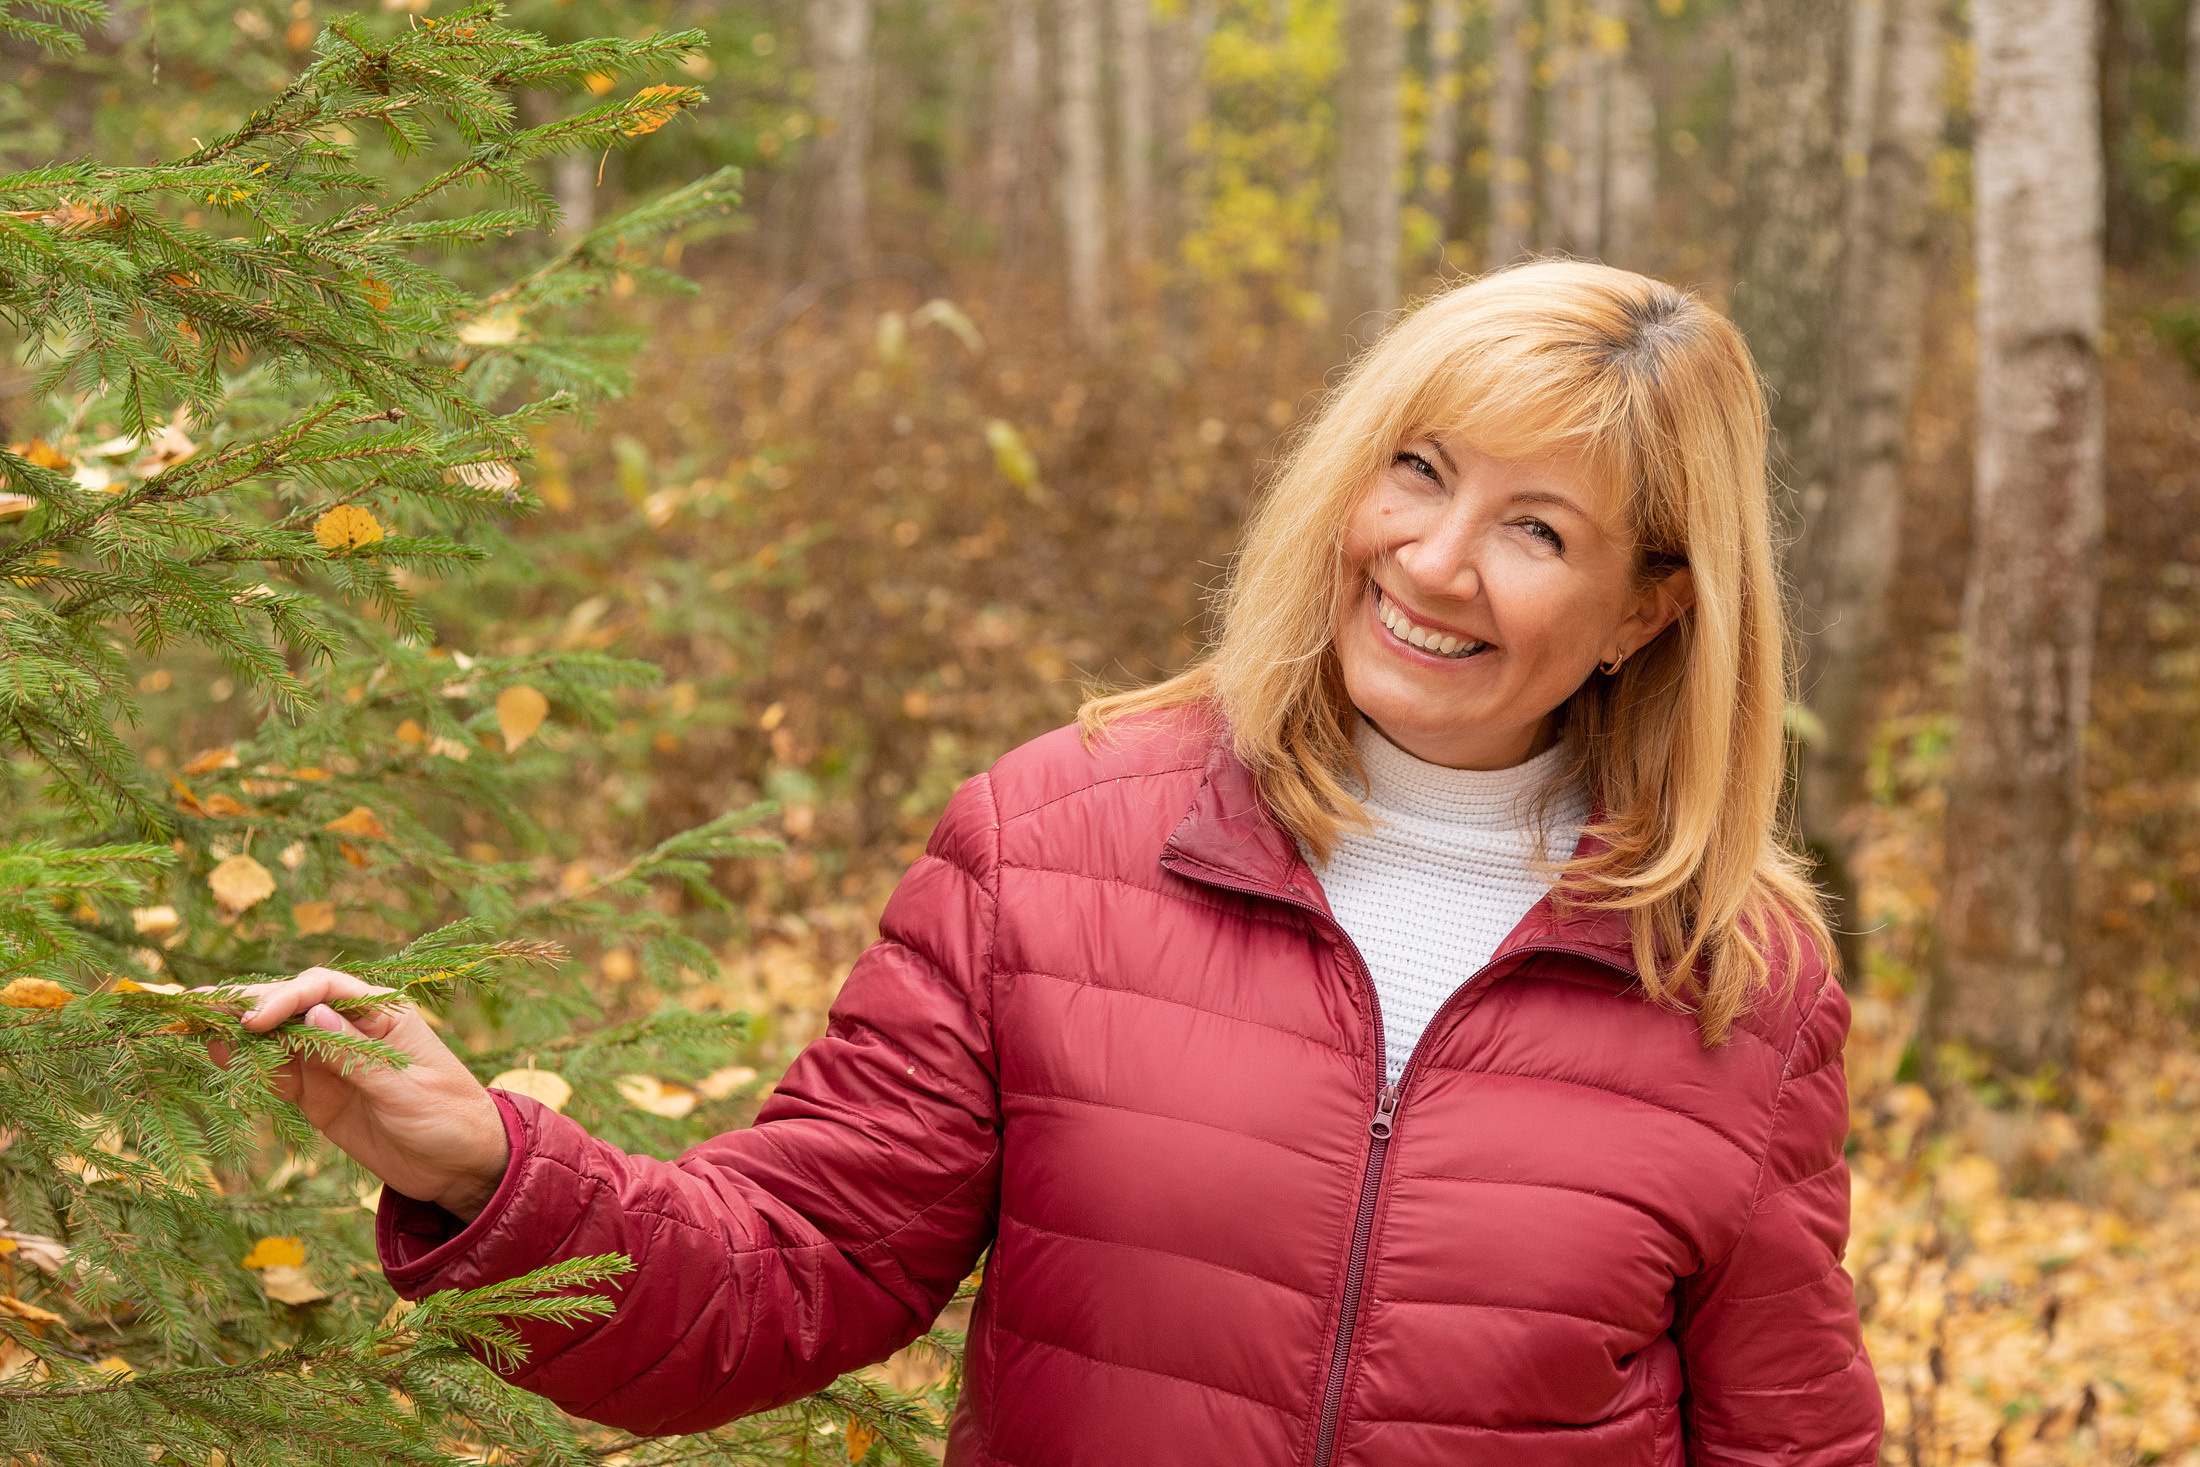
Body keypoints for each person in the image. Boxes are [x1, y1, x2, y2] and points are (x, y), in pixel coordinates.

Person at [226, 262, 1883, 1465]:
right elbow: (797, 1260)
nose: (1435, 563)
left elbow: (1787, 1441)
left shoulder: (1737, 985)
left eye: (1537, 530)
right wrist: (493, 1175)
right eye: (1420, 471)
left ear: (1647, 608)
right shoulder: (1056, 843)